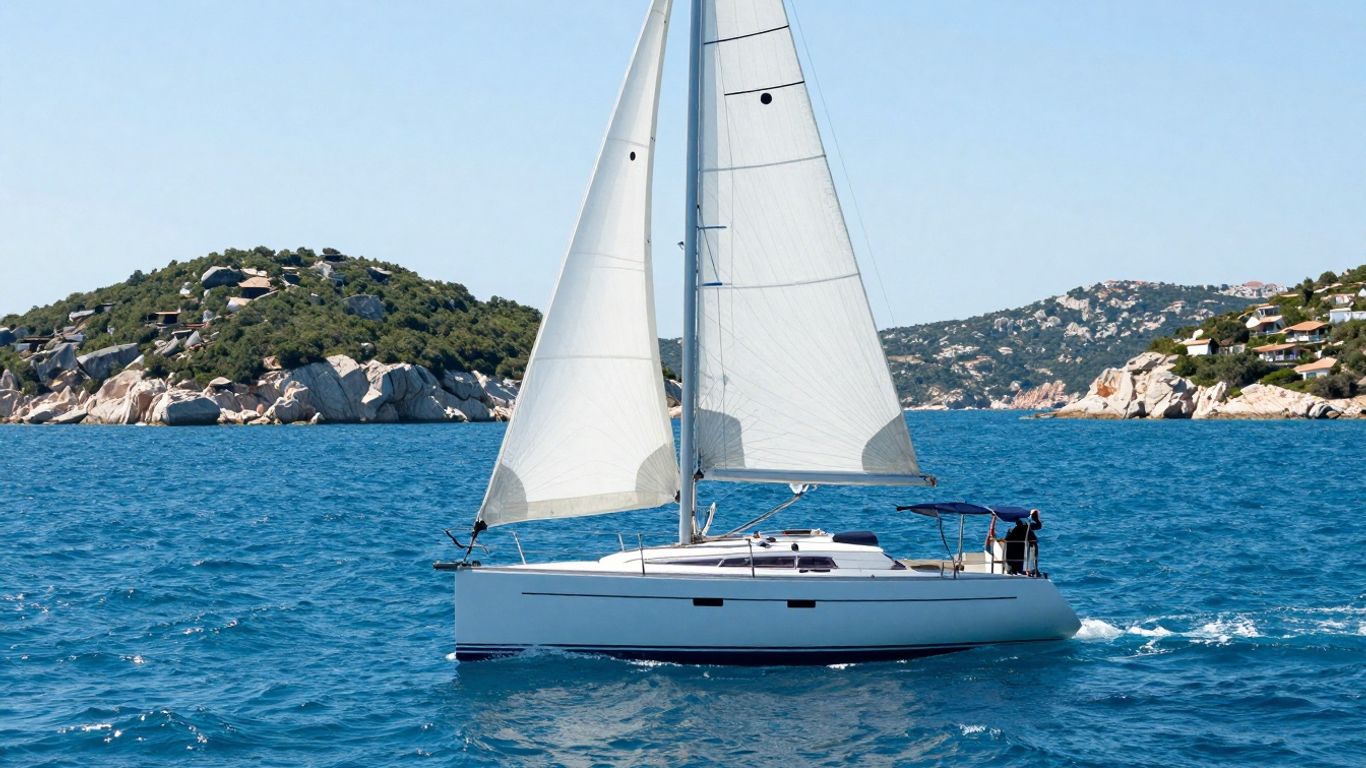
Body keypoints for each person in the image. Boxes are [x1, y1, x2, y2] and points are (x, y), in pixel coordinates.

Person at [1002, 509, 1042, 575]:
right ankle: (1032, 570)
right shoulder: (1025, 528)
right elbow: (1038, 526)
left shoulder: (1013, 530)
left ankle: (1015, 570)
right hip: (1019, 554)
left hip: (1013, 556)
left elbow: (1007, 539)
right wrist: (1035, 518)